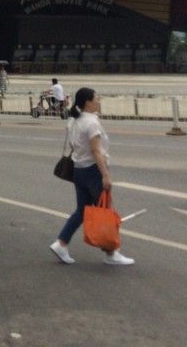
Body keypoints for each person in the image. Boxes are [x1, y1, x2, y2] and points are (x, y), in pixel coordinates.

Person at [50, 87, 134, 266]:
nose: (99, 100)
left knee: (82, 210)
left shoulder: (74, 120)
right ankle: (111, 253)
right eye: (96, 98)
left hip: (78, 169)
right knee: (106, 211)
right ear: (88, 102)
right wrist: (105, 175)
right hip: (93, 170)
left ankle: (61, 243)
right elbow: (96, 151)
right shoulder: (91, 123)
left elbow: (75, 146)